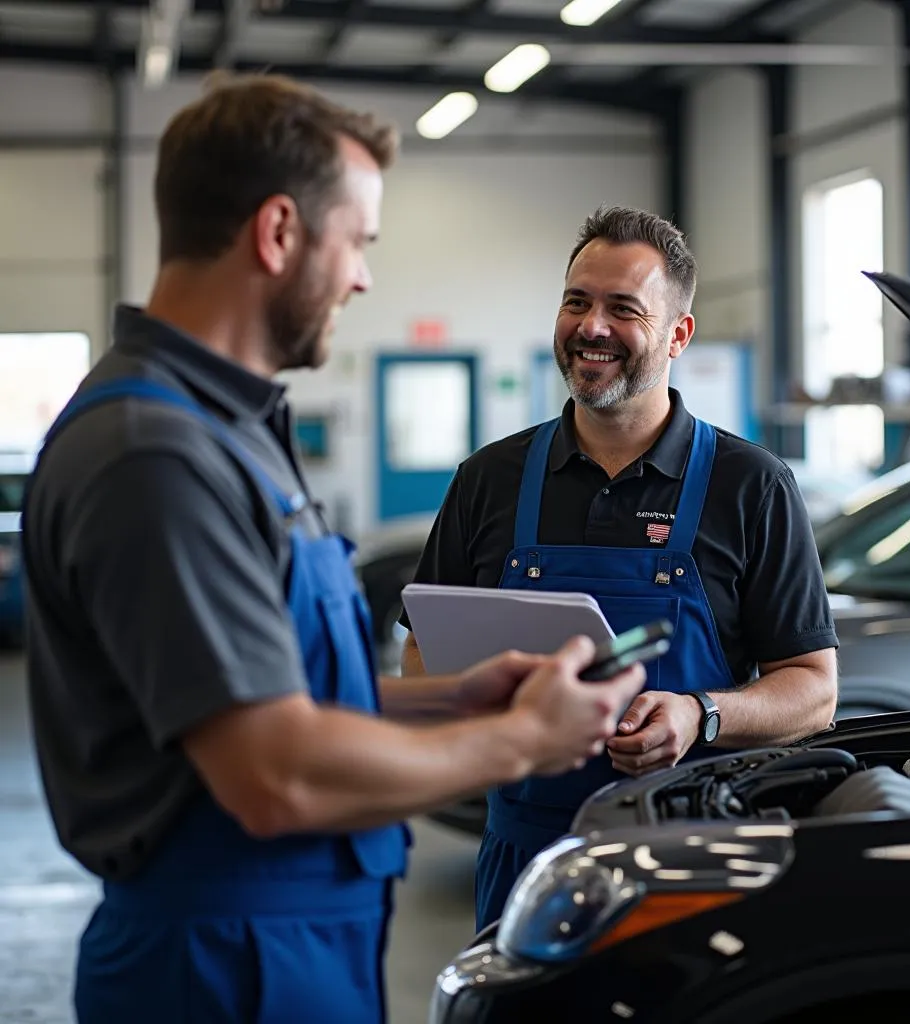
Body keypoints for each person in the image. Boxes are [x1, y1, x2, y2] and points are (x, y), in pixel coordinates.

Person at [19, 75, 647, 1024]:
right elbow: (276, 772)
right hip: (221, 965)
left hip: (285, 942)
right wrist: (523, 739)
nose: (360, 277)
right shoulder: (156, 455)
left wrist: (452, 696)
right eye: (357, 242)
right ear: (278, 233)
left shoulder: (221, 431)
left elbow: (263, 693)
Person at [401, 205, 840, 930]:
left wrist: (701, 715)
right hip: (527, 864)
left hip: (688, 860)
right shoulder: (489, 478)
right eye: (577, 301)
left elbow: (815, 691)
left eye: (622, 309)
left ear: (679, 335)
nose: (590, 326)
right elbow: (422, 651)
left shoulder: (751, 484)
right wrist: (475, 709)